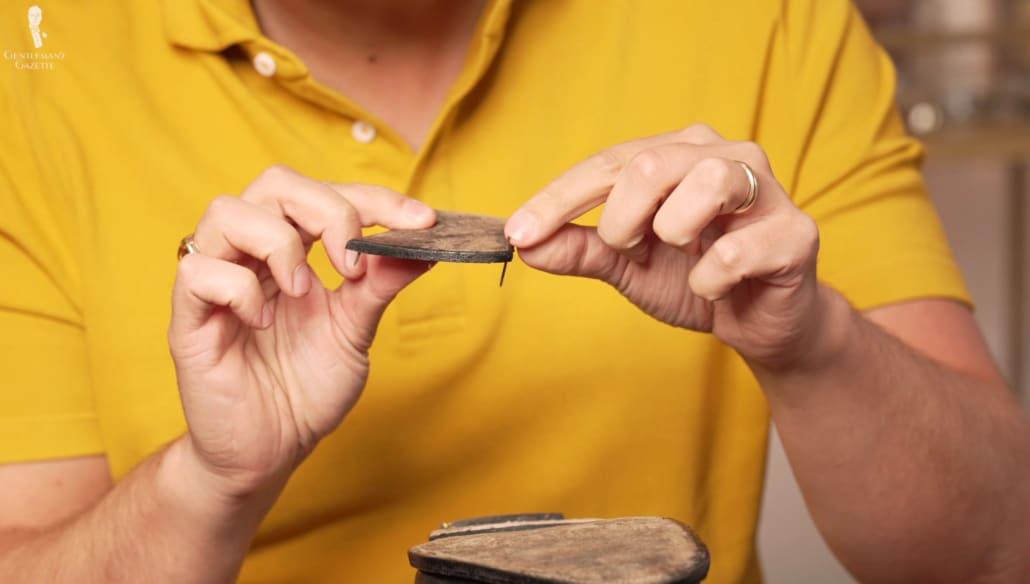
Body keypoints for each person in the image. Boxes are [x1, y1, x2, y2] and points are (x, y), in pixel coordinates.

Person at [1, 0, 1027, 582]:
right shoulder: (32, 57)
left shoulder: (768, 18)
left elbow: (995, 545)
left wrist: (811, 344)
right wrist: (208, 478)